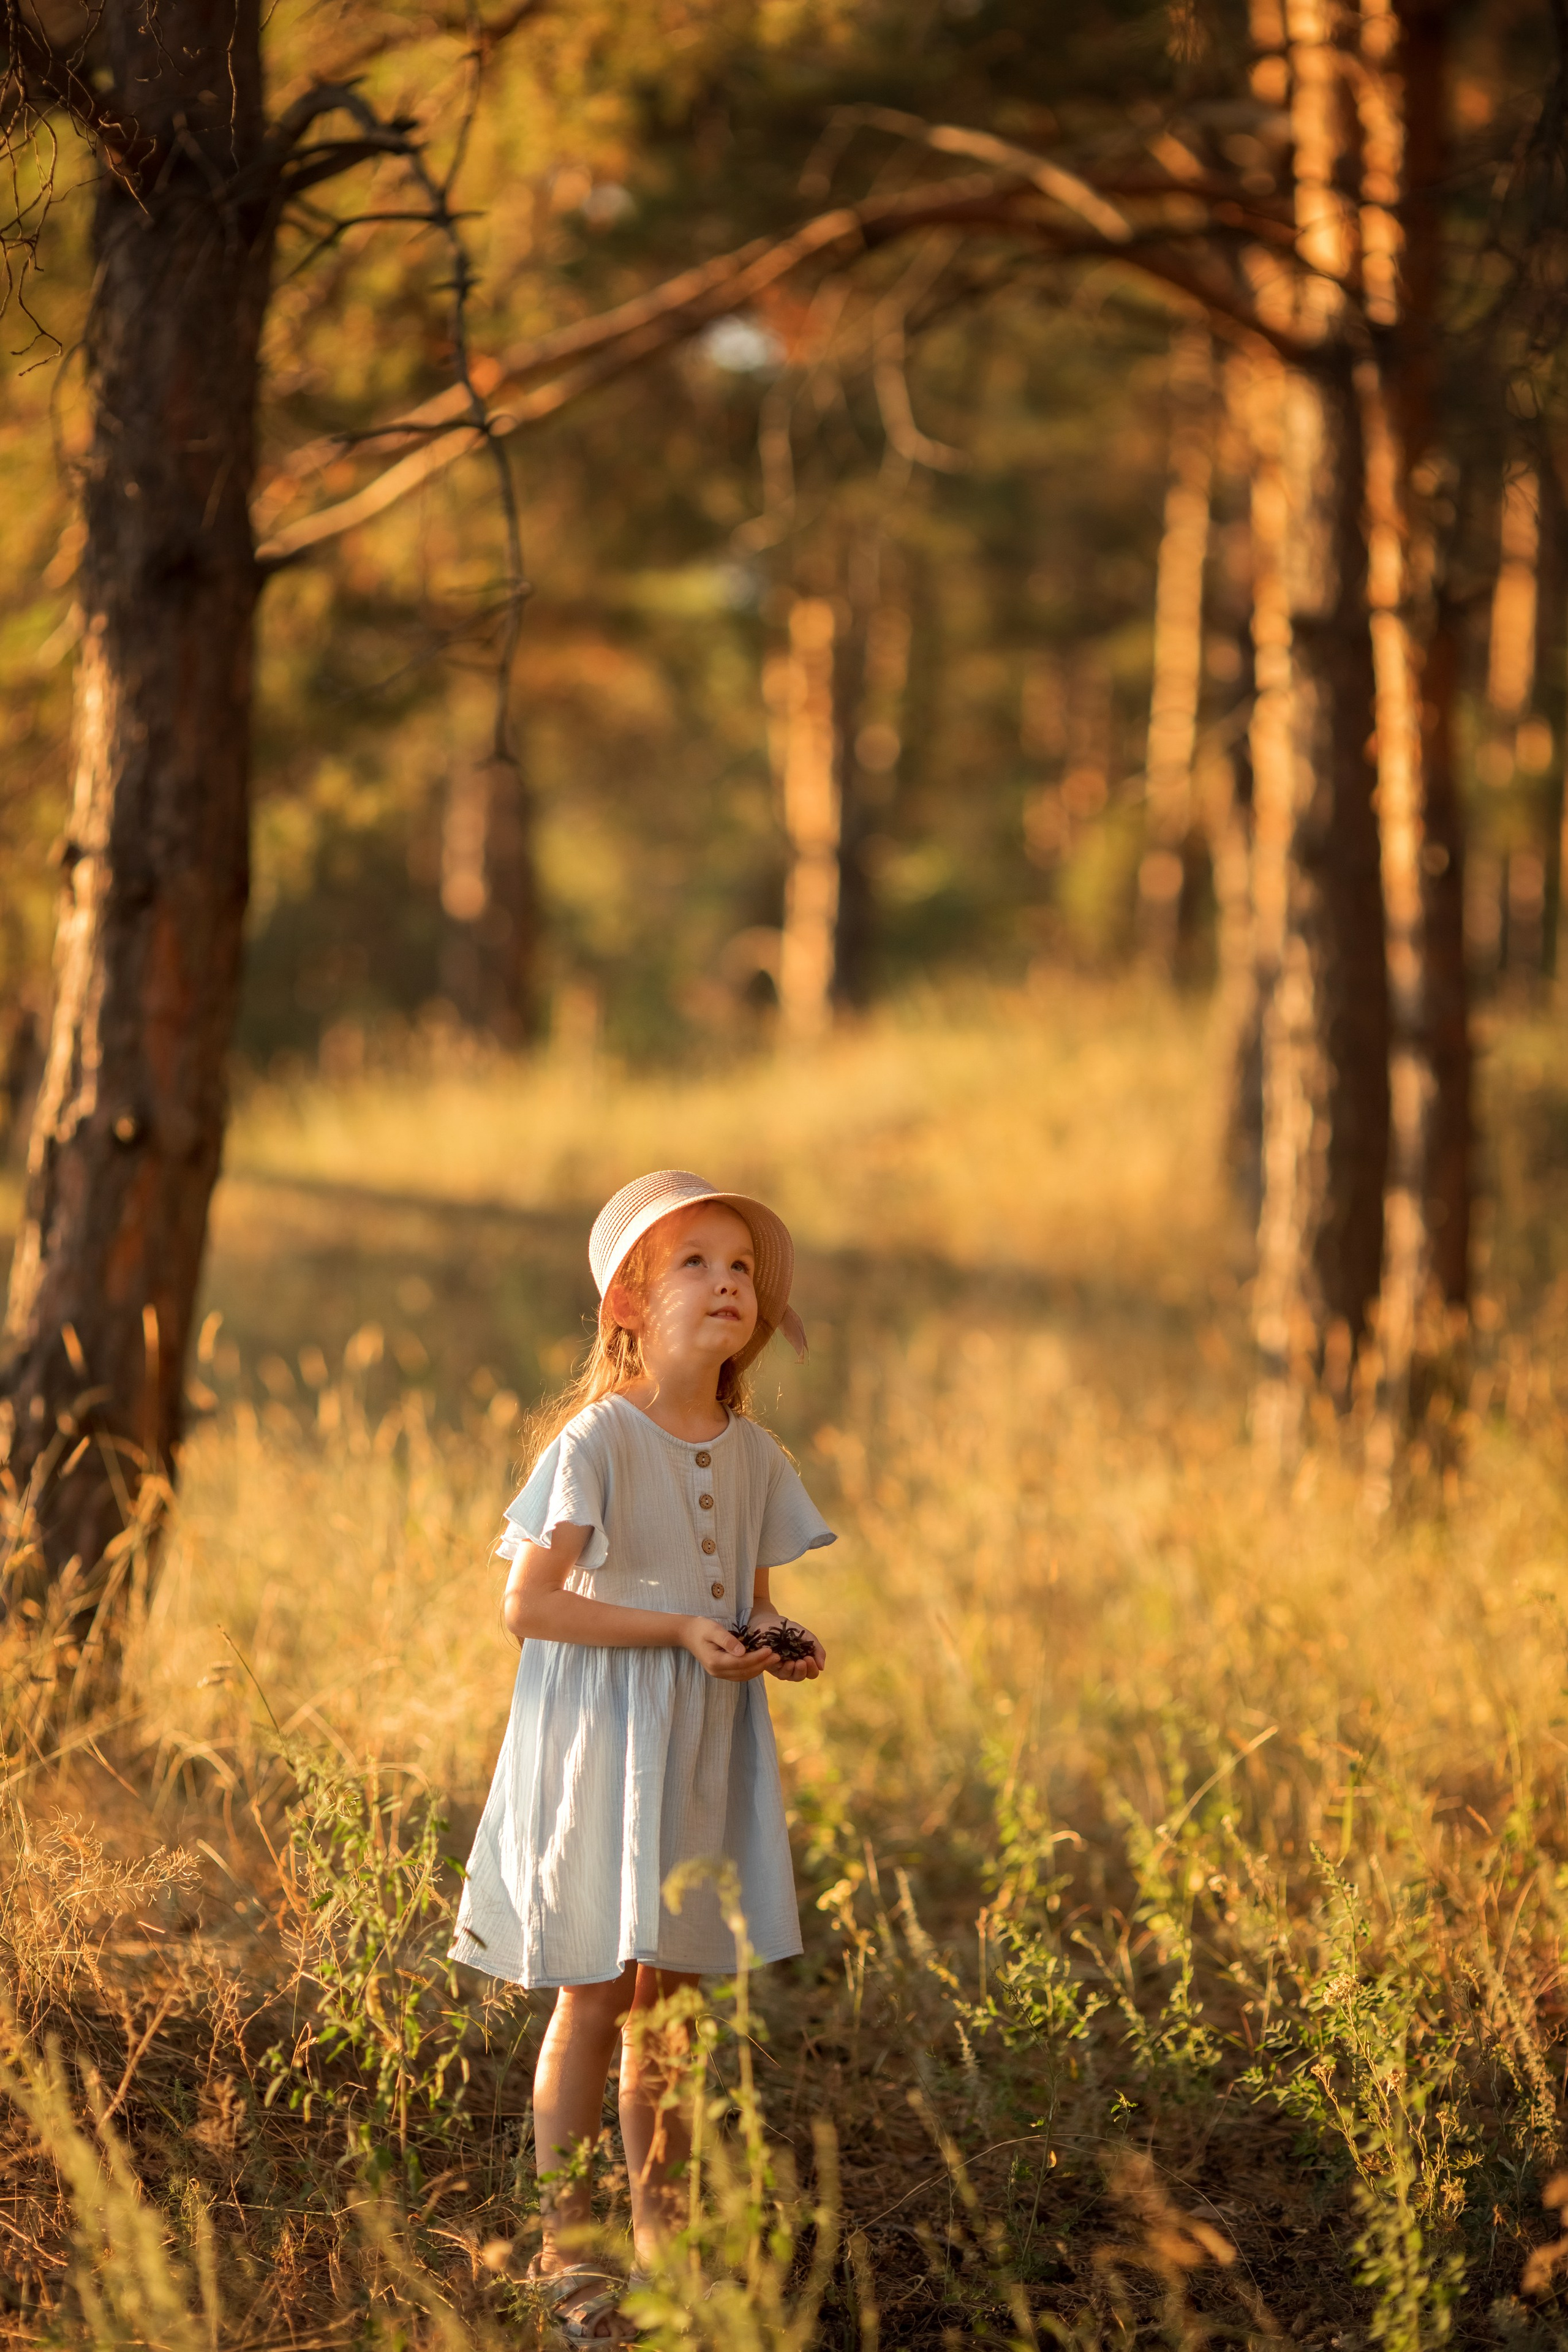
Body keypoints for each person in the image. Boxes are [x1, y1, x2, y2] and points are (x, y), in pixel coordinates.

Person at [451, 1169, 834, 2345]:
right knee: (598, 1994)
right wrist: (673, 1628)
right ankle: (575, 2264)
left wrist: (770, 1638)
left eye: (741, 1266)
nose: (728, 1282)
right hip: (604, 1746)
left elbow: (745, 1598)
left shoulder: (754, 1453)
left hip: (699, 1752)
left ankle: (666, 2256)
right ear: (627, 1302)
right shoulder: (600, 1439)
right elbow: (530, 1606)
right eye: (694, 1262)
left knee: (672, 2014)